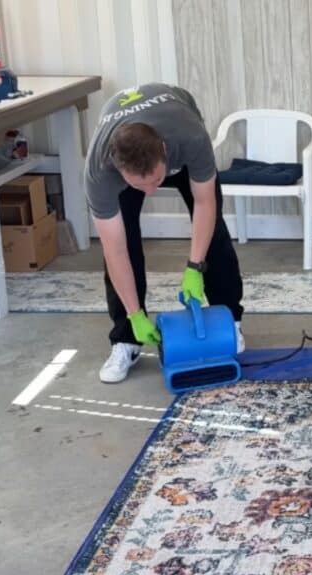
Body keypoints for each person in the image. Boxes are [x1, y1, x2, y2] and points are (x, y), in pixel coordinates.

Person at [84, 83, 244, 383]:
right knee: (124, 243)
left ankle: (229, 319)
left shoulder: (190, 137)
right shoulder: (99, 173)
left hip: (177, 128)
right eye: (140, 185)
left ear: (165, 154)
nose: (152, 191)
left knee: (213, 235)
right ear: (119, 171)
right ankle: (126, 339)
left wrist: (195, 268)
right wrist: (134, 313)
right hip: (125, 154)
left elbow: (205, 203)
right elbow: (114, 250)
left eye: (156, 180)